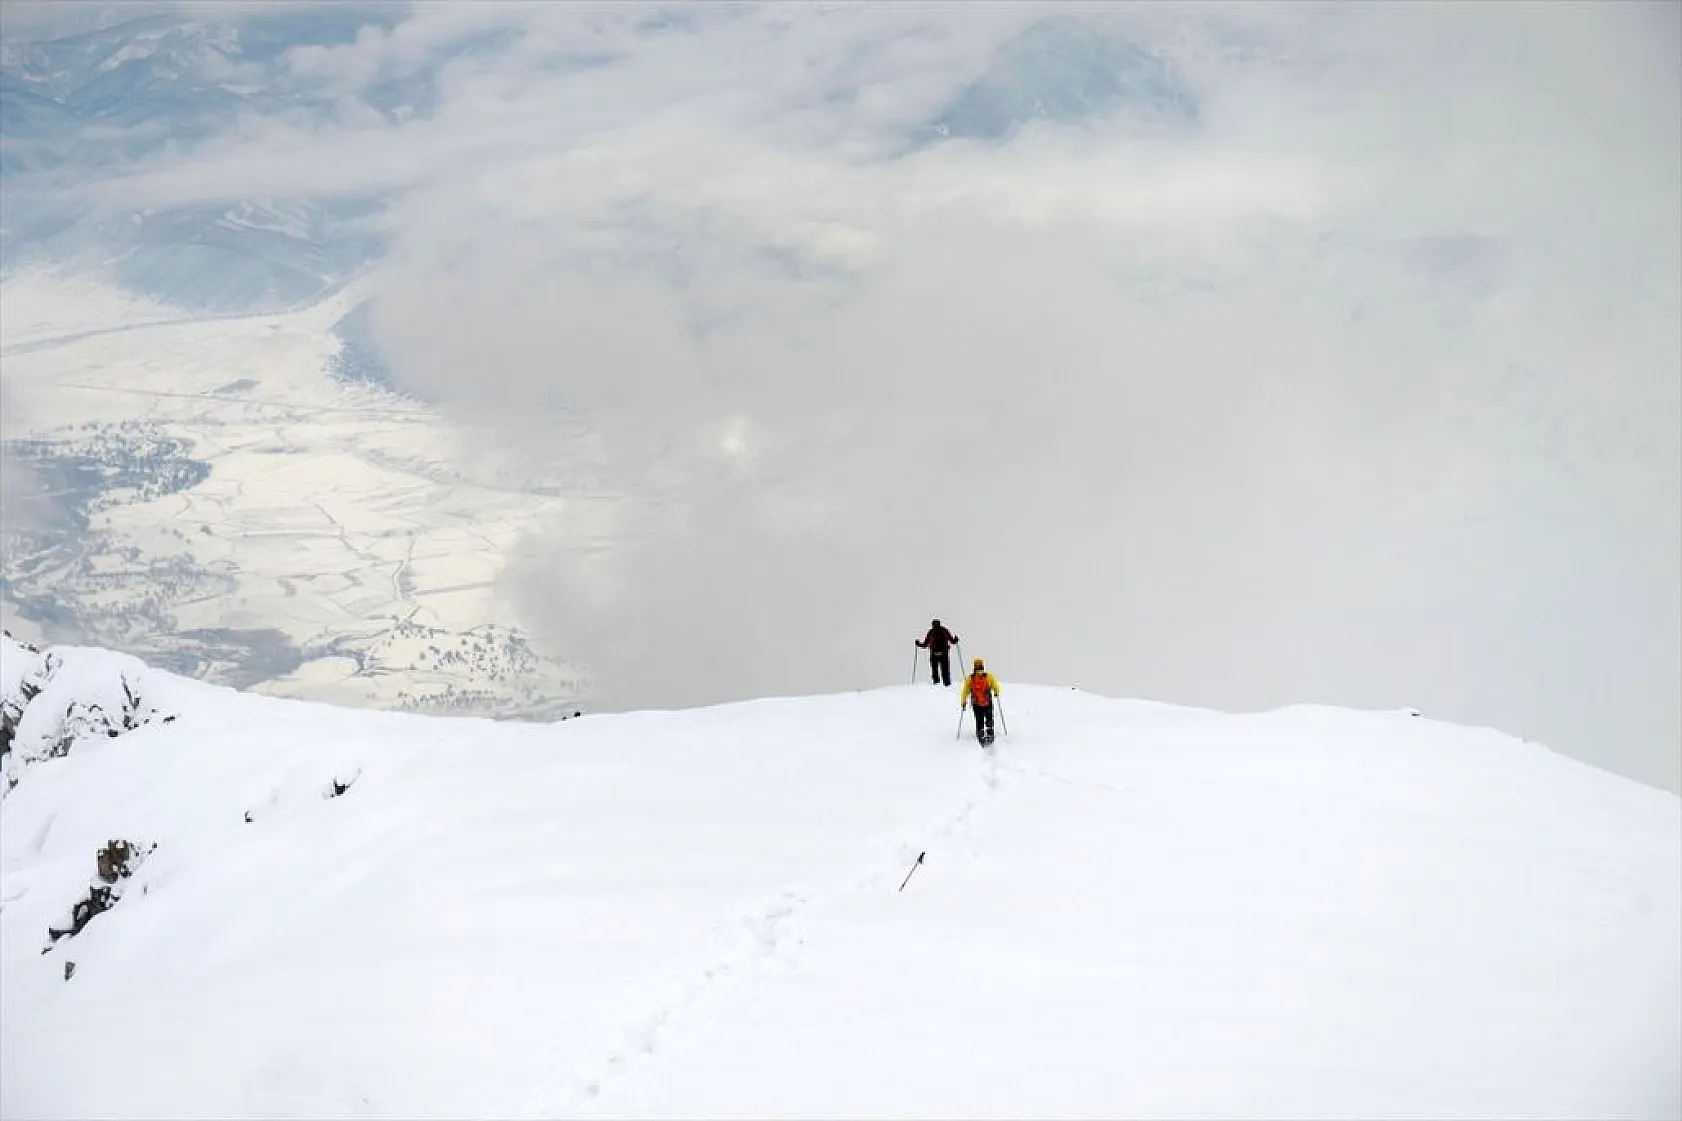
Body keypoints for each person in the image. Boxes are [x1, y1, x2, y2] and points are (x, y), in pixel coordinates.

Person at [960, 657, 1001, 746]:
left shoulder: (970, 678)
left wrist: (963, 702)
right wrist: (996, 692)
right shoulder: (988, 676)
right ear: (983, 666)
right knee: (989, 717)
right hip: (987, 701)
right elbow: (995, 685)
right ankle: (990, 732)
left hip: (976, 703)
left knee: (979, 719)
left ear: (974, 667)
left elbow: (965, 691)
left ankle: (980, 733)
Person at [915, 619, 960, 686]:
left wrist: (918, 644)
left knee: (934, 670)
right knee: (945, 670)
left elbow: (925, 644)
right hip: (944, 653)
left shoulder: (931, 632)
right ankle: (947, 684)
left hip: (934, 654)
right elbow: (952, 641)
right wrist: (955, 639)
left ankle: (936, 684)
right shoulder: (944, 630)